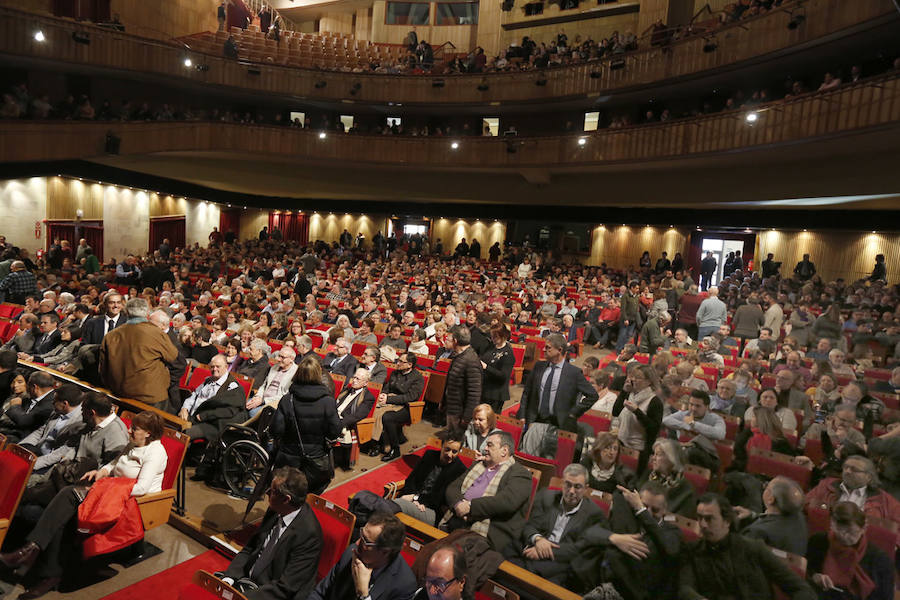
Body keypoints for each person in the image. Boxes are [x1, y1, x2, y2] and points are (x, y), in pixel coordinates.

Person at [1, 411, 168, 599]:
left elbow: (142, 488)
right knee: (63, 507)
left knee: (67, 498)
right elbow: (114, 463)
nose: (129, 431)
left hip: (133, 502)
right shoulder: (134, 443)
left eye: (135, 429)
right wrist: (101, 472)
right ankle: (45, 569)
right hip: (112, 491)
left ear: (148, 433)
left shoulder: (156, 452)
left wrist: (104, 489)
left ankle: (32, 554)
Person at [679, 493, 816, 600]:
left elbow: (801, 588)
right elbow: (685, 588)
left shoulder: (752, 548)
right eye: (699, 518)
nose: (702, 524)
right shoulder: (691, 551)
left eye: (709, 519)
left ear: (727, 521)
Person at [218, 467, 323, 600]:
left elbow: (285, 588)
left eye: (272, 491)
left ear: (286, 499)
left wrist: (241, 597)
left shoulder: (309, 535)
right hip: (248, 584)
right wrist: (229, 578)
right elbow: (250, 548)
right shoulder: (276, 509)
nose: (267, 493)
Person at [504, 464, 606, 587]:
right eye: (568, 484)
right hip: (535, 546)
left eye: (577, 487)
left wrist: (544, 550)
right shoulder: (546, 496)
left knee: (537, 576)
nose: (571, 491)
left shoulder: (594, 514)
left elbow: (579, 549)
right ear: (562, 483)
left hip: (560, 559)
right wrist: (538, 539)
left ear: (586, 489)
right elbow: (529, 525)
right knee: (505, 548)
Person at [442, 431, 532, 550]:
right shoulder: (479, 465)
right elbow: (453, 487)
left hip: (485, 533)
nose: (485, 448)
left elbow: (507, 502)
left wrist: (470, 507)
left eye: (490, 445)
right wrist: (459, 505)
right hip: (457, 520)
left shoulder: (520, 473)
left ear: (504, 450)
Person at [271, 356, 342, 495]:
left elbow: (276, 430)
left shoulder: (287, 400)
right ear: (318, 375)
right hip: (315, 459)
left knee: (286, 494)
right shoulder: (327, 401)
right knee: (310, 495)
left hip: (289, 459)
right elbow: (334, 432)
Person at [518, 333, 597, 455]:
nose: (543, 349)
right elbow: (526, 393)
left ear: (559, 350)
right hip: (535, 421)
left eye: (548, 347)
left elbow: (592, 395)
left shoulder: (574, 373)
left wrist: (574, 413)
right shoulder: (539, 366)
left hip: (561, 425)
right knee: (527, 456)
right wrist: (522, 415)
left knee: (551, 460)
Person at [308, 511, 417, 600]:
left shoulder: (403, 586)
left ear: (385, 552)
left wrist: (364, 595)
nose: (357, 543)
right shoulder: (351, 553)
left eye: (366, 541)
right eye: (361, 535)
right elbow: (320, 593)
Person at [99, 298, 178, 408]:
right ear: (147, 313)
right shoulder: (156, 333)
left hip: (118, 393)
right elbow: (173, 356)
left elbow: (103, 369)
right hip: (150, 396)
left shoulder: (111, 335)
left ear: (126, 312)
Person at [806, 501, 894, 600]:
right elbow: (804, 572)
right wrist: (814, 577)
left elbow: (886, 597)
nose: (844, 537)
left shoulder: (880, 560)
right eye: (839, 530)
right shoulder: (818, 541)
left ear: (863, 528)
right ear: (832, 525)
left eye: (851, 532)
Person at [394, 429, 467, 527]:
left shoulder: (459, 469)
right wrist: (411, 497)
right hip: (409, 499)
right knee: (392, 507)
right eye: (447, 449)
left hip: (430, 510)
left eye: (454, 452)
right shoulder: (429, 455)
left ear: (459, 451)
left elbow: (440, 499)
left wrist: (416, 498)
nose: (449, 455)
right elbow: (411, 479)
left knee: (395, 505)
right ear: (441, 446)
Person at [805, 455, 900, 523]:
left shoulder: (884, 500)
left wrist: (894, 544)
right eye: (845, 467)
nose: (847, 471)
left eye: (854, 469)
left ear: (869, 477)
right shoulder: (827, 485)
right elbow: (804, 504)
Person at [18, 384, 85, 474]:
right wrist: (21, 447)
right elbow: (41, 431)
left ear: (65, 404)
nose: (52, 403)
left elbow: (62, 451)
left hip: (50, 462)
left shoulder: (80, 422)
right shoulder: (57, 411)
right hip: (36, 451)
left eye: (54, 401)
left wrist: (34, 463)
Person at [370, 352, 425, 460]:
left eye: (401, 361)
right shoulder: (395, 373)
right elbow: (387, 386)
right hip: (390, 400)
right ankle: (377, 442)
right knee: (372, 409)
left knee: (386, 417)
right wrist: (383, 394)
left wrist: (389, 399)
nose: (398, 363)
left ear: (410, 365)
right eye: (398, 360)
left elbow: (410, 397)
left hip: (407, 407)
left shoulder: (417, 378)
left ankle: (395, 449)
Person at [735, 476, 808, 555]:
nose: (764, 487)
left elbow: (737, 557)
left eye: (767, 486)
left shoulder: (757, 533)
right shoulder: (799, 517)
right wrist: (752, 515)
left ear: (771, 499)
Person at [613, 364, 663, 476]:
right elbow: (615, 412)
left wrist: (637, 412)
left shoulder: (654, 401)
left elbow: (653, 429)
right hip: (621, 444)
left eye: (638, 377)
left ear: (649, 381)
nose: (633, 380)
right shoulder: (629, 394)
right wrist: (623, 391)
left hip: (639, 451)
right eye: (633, 376)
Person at [636, 438, 696, 517]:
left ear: (672, 459)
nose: (653, 458)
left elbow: (679, 520)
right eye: (654, 454)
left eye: (658, 454)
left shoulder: (686, 489)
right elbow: (635, 494)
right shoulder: (648, 474)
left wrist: (662, 517)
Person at [442, 325, 482, 430]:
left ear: (455, 341)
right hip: (452, 408)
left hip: (459, 412)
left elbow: (474, 393)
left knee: (456, 441)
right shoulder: (459, 355)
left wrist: (467, 417)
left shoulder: (471, 360)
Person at [333, 368, 376, 468]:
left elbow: (358, 416)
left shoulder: (368, 397)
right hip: (335, 415)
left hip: (346, 420)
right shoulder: (348, 389)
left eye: (358, 379)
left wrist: (340, 422)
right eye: (354, 377)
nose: (354, 381)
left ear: (365, 383)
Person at [0, 370, 56, 443]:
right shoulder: (32, 398)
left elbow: (24, 422)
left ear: (34, 387)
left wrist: (15, 406)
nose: (27, 388)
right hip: (11, 432)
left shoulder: (50, 404)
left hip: (25, 440)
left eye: (28, 385)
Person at [244, 347, 298, 420]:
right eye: (279, 356)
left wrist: (263, 401)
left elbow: (285, 396)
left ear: (291, 359)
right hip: (262, 399)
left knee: (253, 412)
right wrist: (258, 397)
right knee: (242, 404)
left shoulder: (296, 373)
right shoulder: (275, 367)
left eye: (282, 357)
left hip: (275, 403)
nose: (278, 359)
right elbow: (264, 385)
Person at [479, 325, 515, 414]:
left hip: (495, 393)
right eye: (492, 336)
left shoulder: (508, 353)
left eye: (495, 336)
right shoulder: (491, 347)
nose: (492, 338)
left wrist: (486, 367)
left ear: (503, 336)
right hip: (485, 389)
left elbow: (503, 376)